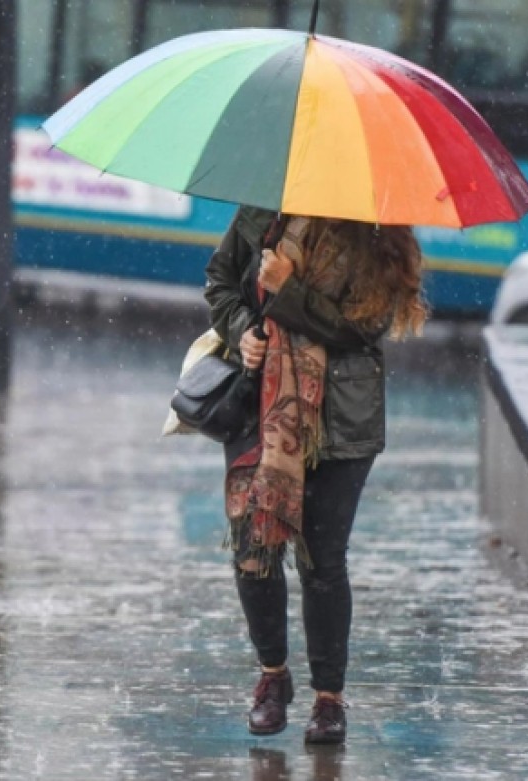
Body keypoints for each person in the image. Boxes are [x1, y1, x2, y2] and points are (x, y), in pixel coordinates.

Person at [203, 206, 426, 744]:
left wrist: (285, 291)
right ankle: (273, 677)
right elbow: (219, 283)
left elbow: (362, 327)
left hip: (341, 419)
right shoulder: (262, 213)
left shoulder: (378, 230)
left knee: (322, 561)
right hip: (260, 406)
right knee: (254, 549)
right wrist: (243, 330)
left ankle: (329, 700)